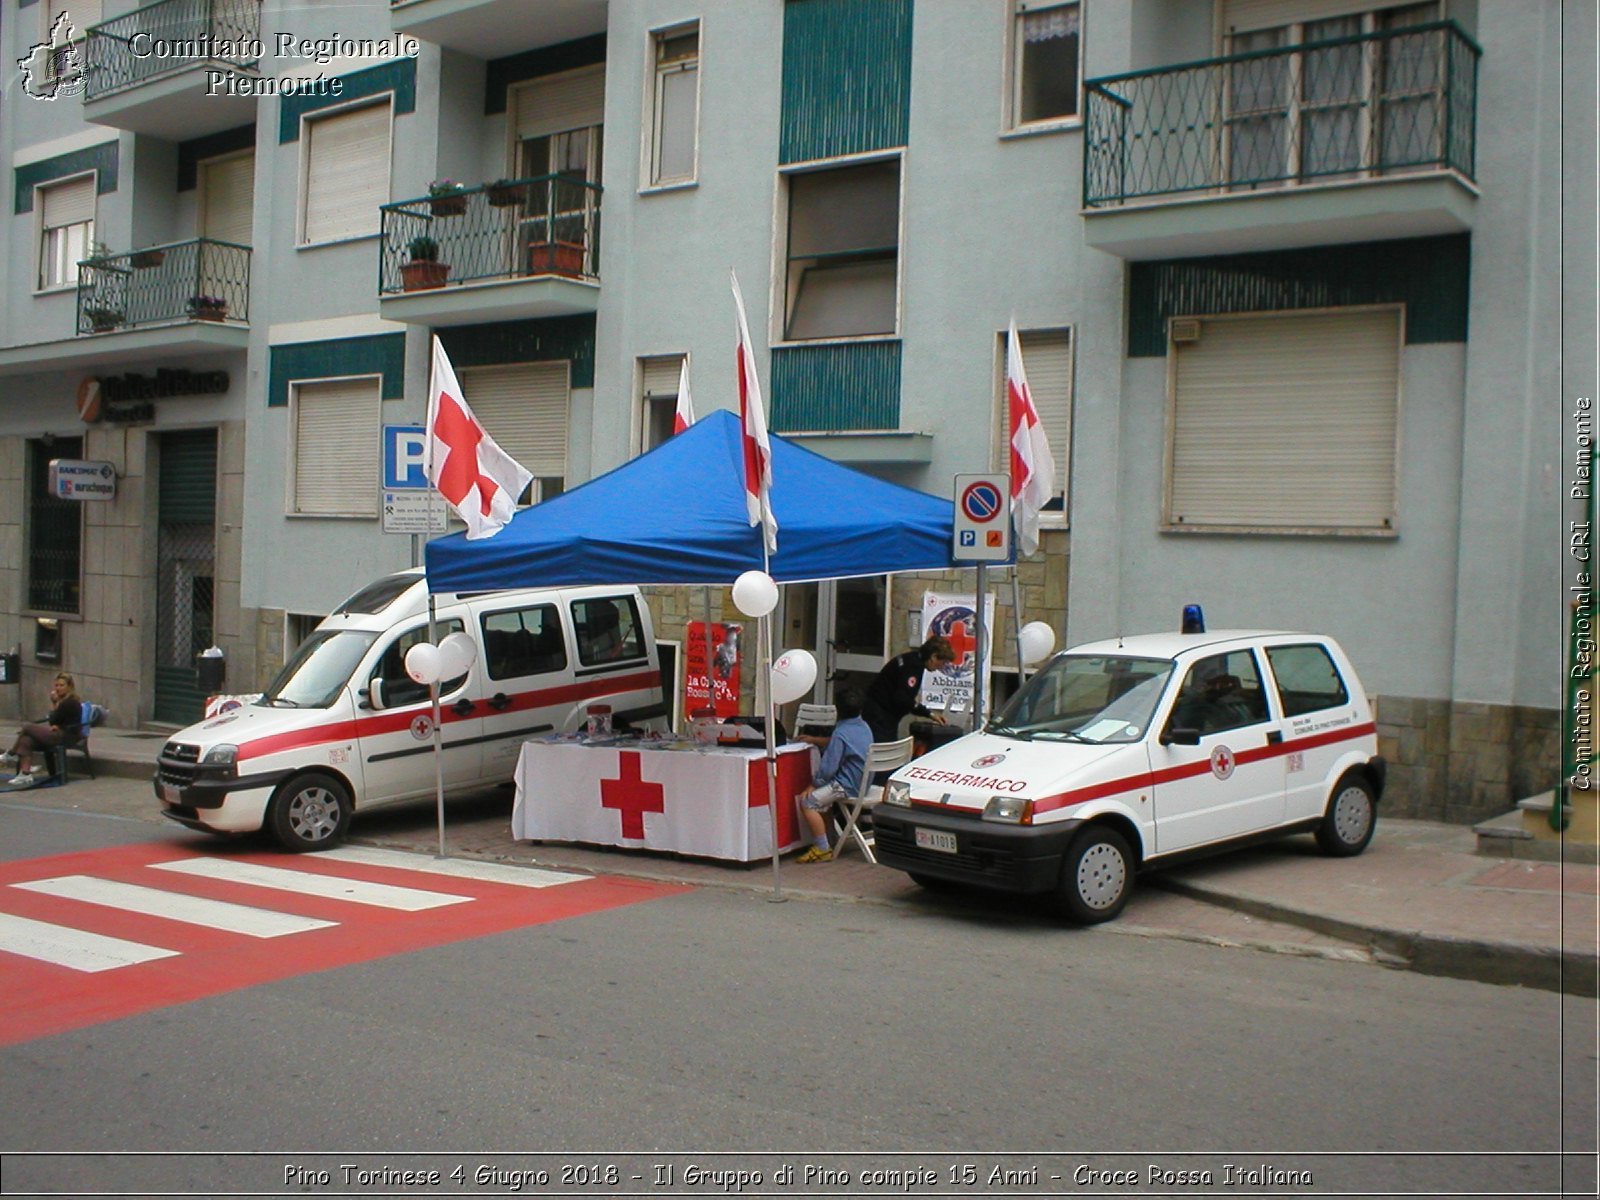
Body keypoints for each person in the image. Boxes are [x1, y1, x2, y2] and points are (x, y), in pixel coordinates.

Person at [794, 691, 873, 863]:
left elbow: (829, 767)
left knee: (808, 802)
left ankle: (822, 848)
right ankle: (831, 839)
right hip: (863, 783)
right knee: (825, 800)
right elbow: (844, 744)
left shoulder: (840, 732)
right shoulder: (864, 727)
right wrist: (816, 740)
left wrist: (813, 785)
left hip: (847, 786)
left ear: (838, 710)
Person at [861, 636, 954, 743]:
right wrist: (928, 713)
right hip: (880, 716)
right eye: (942, 662)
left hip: (878, 712)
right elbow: (903, 698)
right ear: (933, 657)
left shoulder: (911, 659)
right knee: (883, 751)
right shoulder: (913, 667)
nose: (941, 667)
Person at [5, 673, 83, 788]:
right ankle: (25, 774)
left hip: (66, 736)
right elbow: (57, 722)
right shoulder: (63, 702)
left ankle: (12, 753)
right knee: (26, 740)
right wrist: (57, 725)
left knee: (27, 727)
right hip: (58, 732)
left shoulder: (69, 702)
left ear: (69, 686)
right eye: (56, 685)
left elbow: (53, 720)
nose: (58, 688)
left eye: (61, 685)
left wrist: (54, 703)